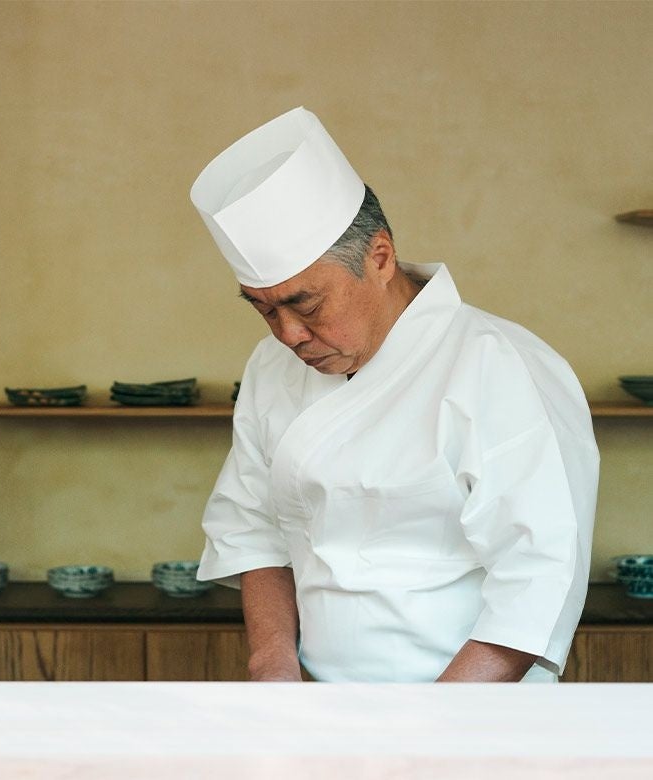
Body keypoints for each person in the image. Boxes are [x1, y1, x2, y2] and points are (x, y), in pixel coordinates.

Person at [189, 107, 599, 683]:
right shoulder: (270, 369)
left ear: (379, 257)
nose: (287, 335)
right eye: (262, 308)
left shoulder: (500, 365)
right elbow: (251, 527)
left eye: (305, 304)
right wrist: (273, 665)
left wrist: (428, 731)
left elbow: (539, 577)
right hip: (316, 704)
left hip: (471, 714)